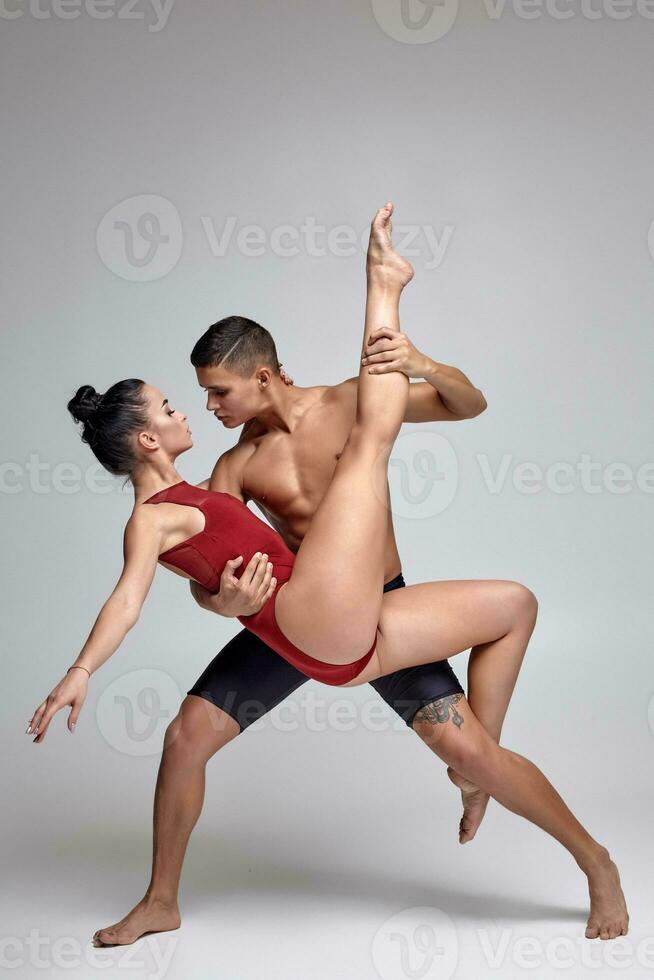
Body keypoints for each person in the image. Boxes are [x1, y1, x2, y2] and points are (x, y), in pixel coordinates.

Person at [27, 204, 628, 943]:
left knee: (477, 734)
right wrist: (217, 604)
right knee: (187, 736)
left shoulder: (348, 399)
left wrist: (423, 365)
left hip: (371, 606)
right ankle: (160, 899)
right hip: (300, 615)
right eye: (199, 396)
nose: (212, 407)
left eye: (220, 391)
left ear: (266, 376)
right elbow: (198, 557)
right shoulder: (234, 465)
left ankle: (583, 853)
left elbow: (469, 404)